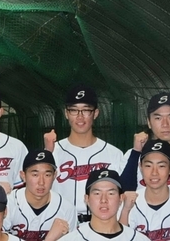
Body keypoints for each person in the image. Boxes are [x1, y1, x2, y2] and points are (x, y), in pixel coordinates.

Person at [44, 86, 123, 225]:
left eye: (86, 110)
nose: (80, 116)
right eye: (74, 110)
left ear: (95, 113)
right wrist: (47, 153)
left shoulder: (114, 153)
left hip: (101, 225)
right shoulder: (53, 151)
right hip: (61, 225)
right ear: (66, 113)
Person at [4, 149, 76, 241]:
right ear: (23, 176)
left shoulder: (67, 209)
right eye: (35, 175)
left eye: (47, 175)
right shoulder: (8, 203)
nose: (41, 182)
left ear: (54, 176)